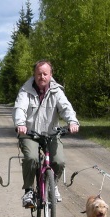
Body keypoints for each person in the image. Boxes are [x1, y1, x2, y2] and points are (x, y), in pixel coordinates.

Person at [12, 59, 79, 208]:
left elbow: (66, 108)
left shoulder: (56, 91)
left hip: (51, 134)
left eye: (45, 74)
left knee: (59, 160)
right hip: (30, 134)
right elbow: (19, 109)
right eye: (39, 74)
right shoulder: (25, 91)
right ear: (34, 75)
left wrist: (72, 122)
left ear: (50, 75)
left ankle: (52, 185)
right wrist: (20, 124)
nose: (42, 77)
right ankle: (29, 191)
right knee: (31, 157)